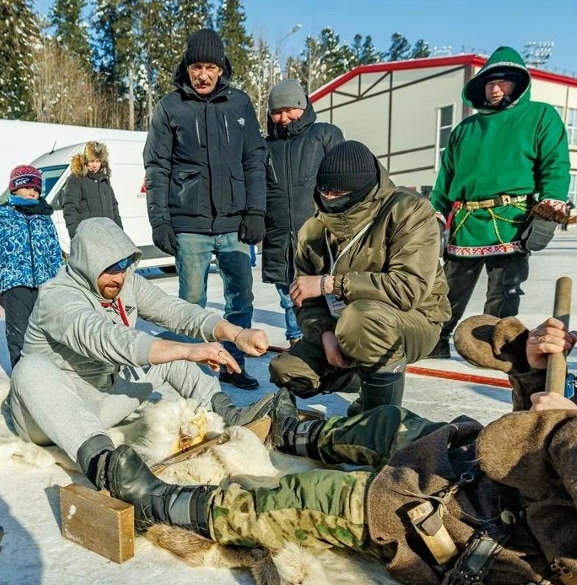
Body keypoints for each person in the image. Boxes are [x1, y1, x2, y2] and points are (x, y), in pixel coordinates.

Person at [101, 273, 577, 585]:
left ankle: (170, 503)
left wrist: (569, 427)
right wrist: (533, 372)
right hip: (506, 486)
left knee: (311, 500)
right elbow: (546, 439)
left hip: (515, 546)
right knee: (388, 423)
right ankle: (300, 429)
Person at [8, 218, 274, 485]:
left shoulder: (124, 283)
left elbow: (173, 311)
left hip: (101, 402)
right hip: (50, 416)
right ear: (87, 264)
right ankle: (109, 469)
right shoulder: (57, 296)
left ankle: (226, 412)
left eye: (125, 266)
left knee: (171, 346)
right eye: (111, 269)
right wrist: (186, 350)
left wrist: (235, 333)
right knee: (29, 369)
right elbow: (106, 338)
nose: (120, 277)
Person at [267, 141, 449, 415]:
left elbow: (409, 288)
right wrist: (325, 333)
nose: (330, 198)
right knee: (288, 370)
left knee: (361, 319)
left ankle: (377, 418)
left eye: (339, 192)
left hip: (415, 319)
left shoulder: (409, 211)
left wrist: (331, 283)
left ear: (363, 189)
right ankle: (360, 371)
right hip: (343, 325)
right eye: (325, 191)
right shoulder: (312, 230)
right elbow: (305, 301)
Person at [144, 28, 267, 390]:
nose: (203, 75)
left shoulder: (240, 104)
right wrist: (160, 220)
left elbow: (254, 159)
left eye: (210, 67)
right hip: (189, 226)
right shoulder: (170, 107)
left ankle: (234, 363)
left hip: (234, 224)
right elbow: (157, 166)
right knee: (192, 303)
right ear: (187, 67)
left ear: (221, 68)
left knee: (240, 298)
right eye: (196, 66)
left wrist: (256, 211)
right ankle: (196, 373)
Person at [428, 46, 570, 360]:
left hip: (512, 219)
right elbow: (446, 178)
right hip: (466, 221)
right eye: (489, 83)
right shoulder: (465, 129)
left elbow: (555, 165)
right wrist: (435, 213)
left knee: (504, 292)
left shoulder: (540, 116)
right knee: (448, 290)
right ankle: (436, 342)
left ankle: (497, 350)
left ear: (519, 83)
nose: (494, 88)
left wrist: (552, 204)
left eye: (502, 82)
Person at [261, 79, 344, 348]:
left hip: (319, 235)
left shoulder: (324, 134)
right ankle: (297, 342)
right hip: (279, 236)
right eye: (277, 111)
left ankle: (337, 342)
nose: (283, 118)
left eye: (289, 109)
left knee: (329, 295)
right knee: (289, 297)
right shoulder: (265, 146)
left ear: (303, 106)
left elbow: (345, 181)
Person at [0, 165, 64, 369]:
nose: (32, 192)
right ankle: (22, 377)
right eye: (27, 187)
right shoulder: (1, 215)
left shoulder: (44, 217)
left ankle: (47, 374)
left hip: (45, 285)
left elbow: (54, 249)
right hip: (14, 284)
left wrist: (60, 278)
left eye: (36, 189)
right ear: (14, 189)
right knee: (19, 333)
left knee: (45, 332)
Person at [62, 141, 123, 239]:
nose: (95, 165)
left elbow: (114, 207)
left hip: (108, 235)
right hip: (88, 236)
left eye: (98, 161)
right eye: (92, 161)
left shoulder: (104, 180)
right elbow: (70, 208)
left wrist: (120, 232)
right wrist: (75, 235)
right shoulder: (76, 179)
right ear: (85, 161)